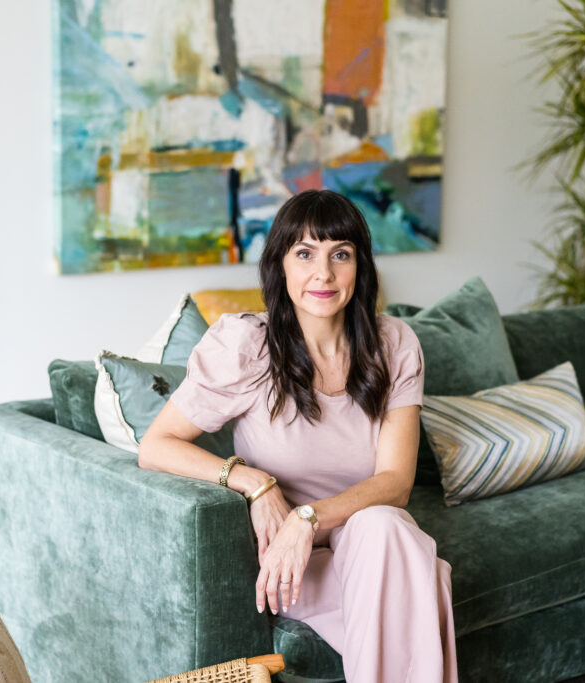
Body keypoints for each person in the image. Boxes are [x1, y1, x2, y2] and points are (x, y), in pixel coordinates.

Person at [139, 189, 459, 682]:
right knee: (418, 576)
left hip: (370, 547)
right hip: (296, 568)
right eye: (305, 254)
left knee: (385, 526)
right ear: (280, 267)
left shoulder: (394, 344)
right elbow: (155, 446)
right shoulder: (246, 348)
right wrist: (254, 482)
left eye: (341, 255)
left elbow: (395, 483)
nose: (323, 274)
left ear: (361, 267)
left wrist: (307, 517)